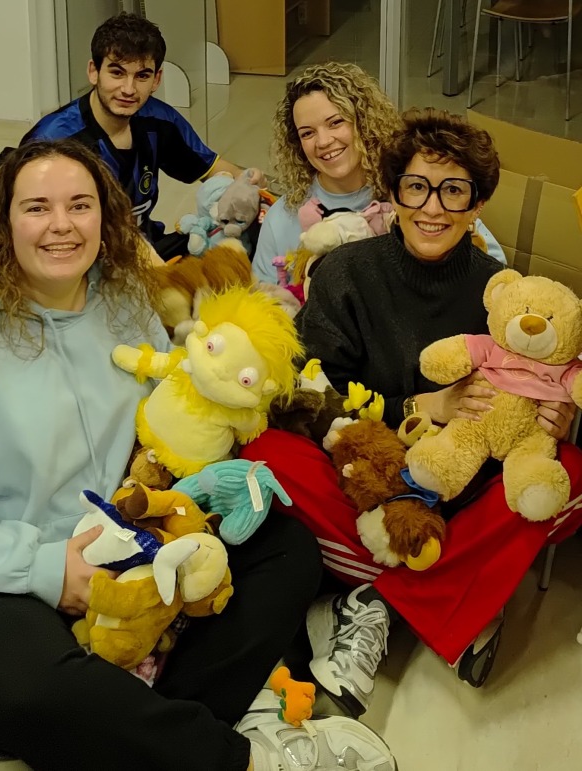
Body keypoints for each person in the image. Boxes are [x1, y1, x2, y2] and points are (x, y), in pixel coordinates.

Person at [0, 138, 397, 771]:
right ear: (1, 223)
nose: (61, 225)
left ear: (104, 216)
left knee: (289, 551)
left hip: (130, 538)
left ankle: (139, 728)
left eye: (79, 205)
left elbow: (167, 420)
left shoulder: (123, 307)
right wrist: (46, 568)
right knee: (16, 679)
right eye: (37, 208)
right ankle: (238, 760)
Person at [242, 109, 582, 719]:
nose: (433, 208)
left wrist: (549, 420)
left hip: (454, 483)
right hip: (360, 471)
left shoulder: (502, 291)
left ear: (477, 204)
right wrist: (420, 406)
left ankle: (376, 602)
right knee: (264, 452)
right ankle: (450, 594)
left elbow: (536, 385)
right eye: (417, 186)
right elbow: (306, 391)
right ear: (393, 192)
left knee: (568, 474)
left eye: (454, 191)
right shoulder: (347, 272)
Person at [22, 12, 266, 260]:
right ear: (94, 72)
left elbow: (216, 169)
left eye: (142, 76)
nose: (129, 89)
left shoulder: (160, 121)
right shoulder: (53, 139)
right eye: (117, 73)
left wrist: (248, 180)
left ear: (156, 79)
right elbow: (23, 222)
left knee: (236, 242)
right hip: (78, 258)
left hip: (144, 247)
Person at [251, 62, 505, 285]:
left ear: (364, 122)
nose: (324, 141)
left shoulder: (411, 190)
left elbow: (494, 269)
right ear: (297, 144)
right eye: (308, 133)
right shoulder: (283, 218)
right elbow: (263, 303)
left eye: (336, 122)